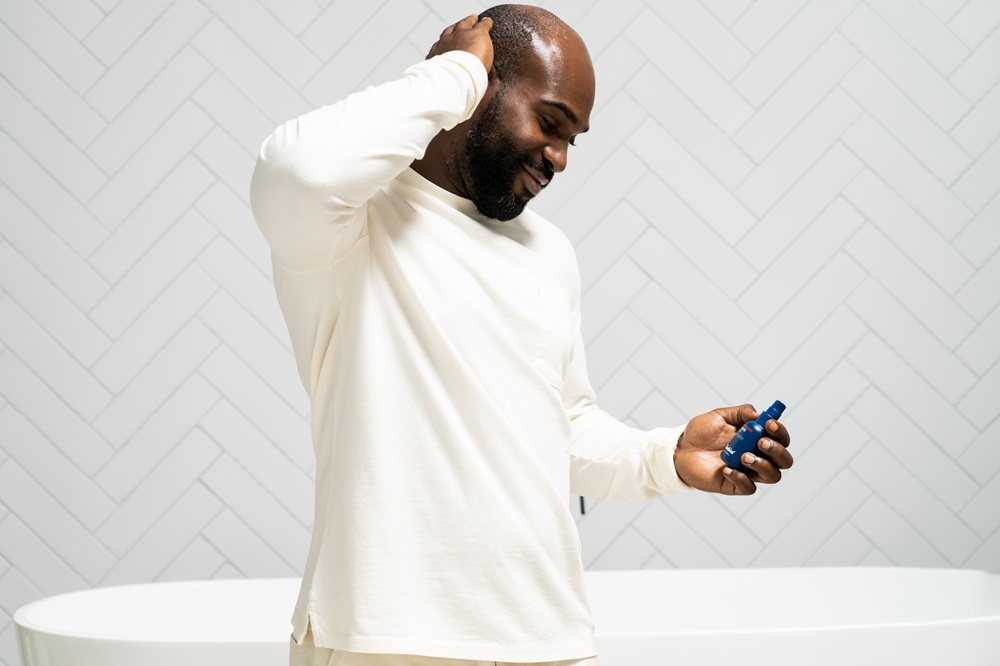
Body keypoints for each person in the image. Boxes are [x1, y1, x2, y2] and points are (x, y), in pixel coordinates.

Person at [249, 5, 793, 666]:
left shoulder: (549, 253)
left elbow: (559, 428)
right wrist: (448, 75)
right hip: (385, 638)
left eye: (574, 138)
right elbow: (296, 169)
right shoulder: (350, 222)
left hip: (547, 638)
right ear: (481, 87)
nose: (561, 158)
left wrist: (667, 455)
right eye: (550, 122)